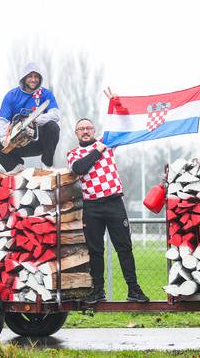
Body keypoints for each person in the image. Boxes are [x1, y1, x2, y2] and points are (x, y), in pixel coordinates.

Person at [67, 112, 149, 304]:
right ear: (76, 133)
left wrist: (116, 103)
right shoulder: (73, 154)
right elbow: (79, 168)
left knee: (124, 247)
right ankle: (98, 291)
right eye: (81, 129)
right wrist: (98, 151)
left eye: (88, 128)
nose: (85, 132)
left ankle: (133, 289)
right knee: (95, 250)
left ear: (94, 130)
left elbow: (126, 123)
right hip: (92, 206)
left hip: (114, 203)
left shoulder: (107, 142)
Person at [0, 63, 60, 173]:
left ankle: (47, 165)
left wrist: (39, 119)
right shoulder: (11, 95)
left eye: (36, 77)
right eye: (30, 76)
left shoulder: (46, 94)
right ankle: (15, 166)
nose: (33, 80)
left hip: (36, 142)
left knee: (53, 127)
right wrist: (4, 139)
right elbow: (1, 121)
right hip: (16, 145)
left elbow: (56, 114)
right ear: (24, 78)